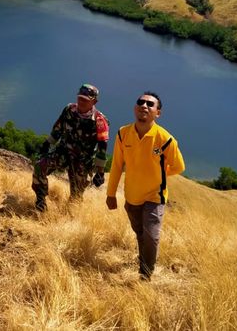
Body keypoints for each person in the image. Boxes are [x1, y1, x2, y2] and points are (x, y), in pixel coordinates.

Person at [106, 91, 185, 281]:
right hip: (132, 195)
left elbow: (179, 167)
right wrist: (111, 194)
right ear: (135, 108)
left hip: (154, 196)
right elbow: (116, 165)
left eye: (150, 104)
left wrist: (159, 174)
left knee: (151, 234)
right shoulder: (123, 134)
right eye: (140, 102)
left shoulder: (165, 139)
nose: (144, 106)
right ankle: (143, 260)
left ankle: (145, 275)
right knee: (140, 233)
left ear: (158, 113)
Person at [32, 84, 109, 212]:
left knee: (76, 195)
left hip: (82, 160)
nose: (81, 102)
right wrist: (46, 145)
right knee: (40, 166)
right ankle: (40, 202)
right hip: (63, 152)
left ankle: (70, 217)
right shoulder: (69, 110)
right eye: (80, 98)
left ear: (94, 101)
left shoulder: (100, 121)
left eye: (85, 100)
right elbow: (57, 128)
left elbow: (102, 146)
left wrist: (100, 172)